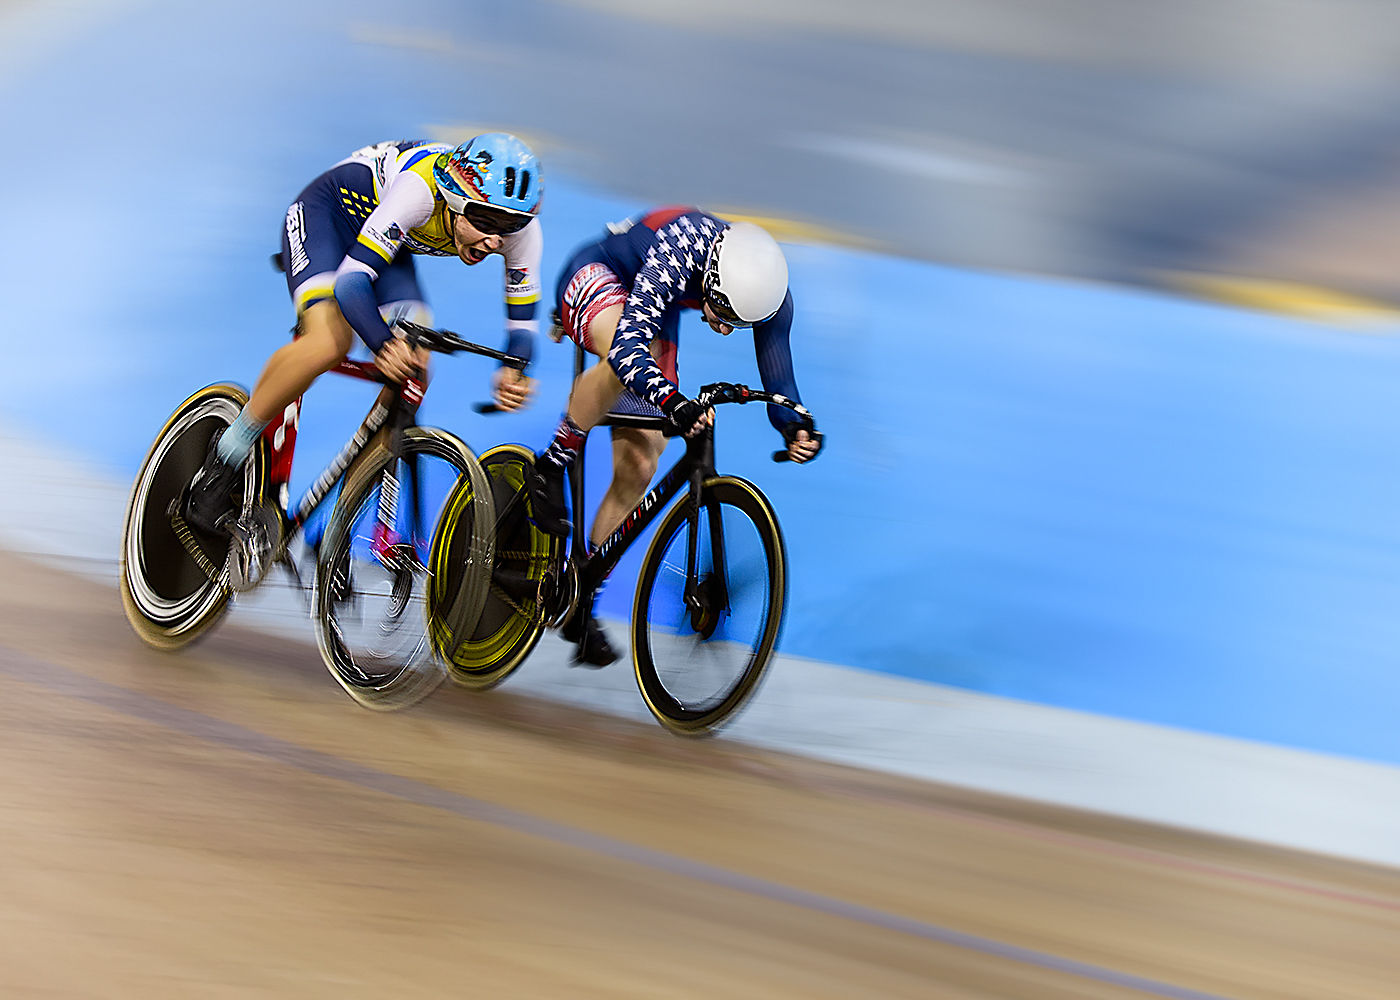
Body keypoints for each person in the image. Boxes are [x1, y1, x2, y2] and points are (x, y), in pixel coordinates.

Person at [183, 134, 544, 534]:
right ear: (453, 197)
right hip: (327, 217)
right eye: (485, 221)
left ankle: (339, 524)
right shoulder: (418, 192)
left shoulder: (521, 230)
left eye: (510, 224)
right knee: (330, 342)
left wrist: (515, 368)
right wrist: (382, 344)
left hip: (388, 241)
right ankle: (224, 460)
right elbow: (351, 284)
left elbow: (523, 324)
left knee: (415, 367)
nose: (495, 240)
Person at [530, 207, 821, 665]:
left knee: (640, 465)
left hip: (654, 303)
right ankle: (551, 463)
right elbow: (628, 350)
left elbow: (779, 373)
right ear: (712, 276)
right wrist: (673, 402)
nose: (724, 328)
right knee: (622, 357)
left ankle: (584, 591)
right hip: (601, 273)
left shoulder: (766, 291)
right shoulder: (681, 248)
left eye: (737, 323)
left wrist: (795, 425)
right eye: (722, 311)